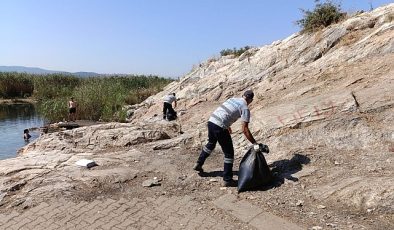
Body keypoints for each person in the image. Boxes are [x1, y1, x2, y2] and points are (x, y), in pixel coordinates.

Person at [193, 89, 261, 187]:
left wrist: (227, 125)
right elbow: (245, 129)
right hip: (220, 126)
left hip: (211, 121)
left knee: (211, 143)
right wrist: (255, 143)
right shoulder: (245, 108)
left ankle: (199, 163)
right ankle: (227, 179)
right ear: (251, 100)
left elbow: (225, 111)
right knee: (229, 153)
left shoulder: (232, 99)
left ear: (243, 95)